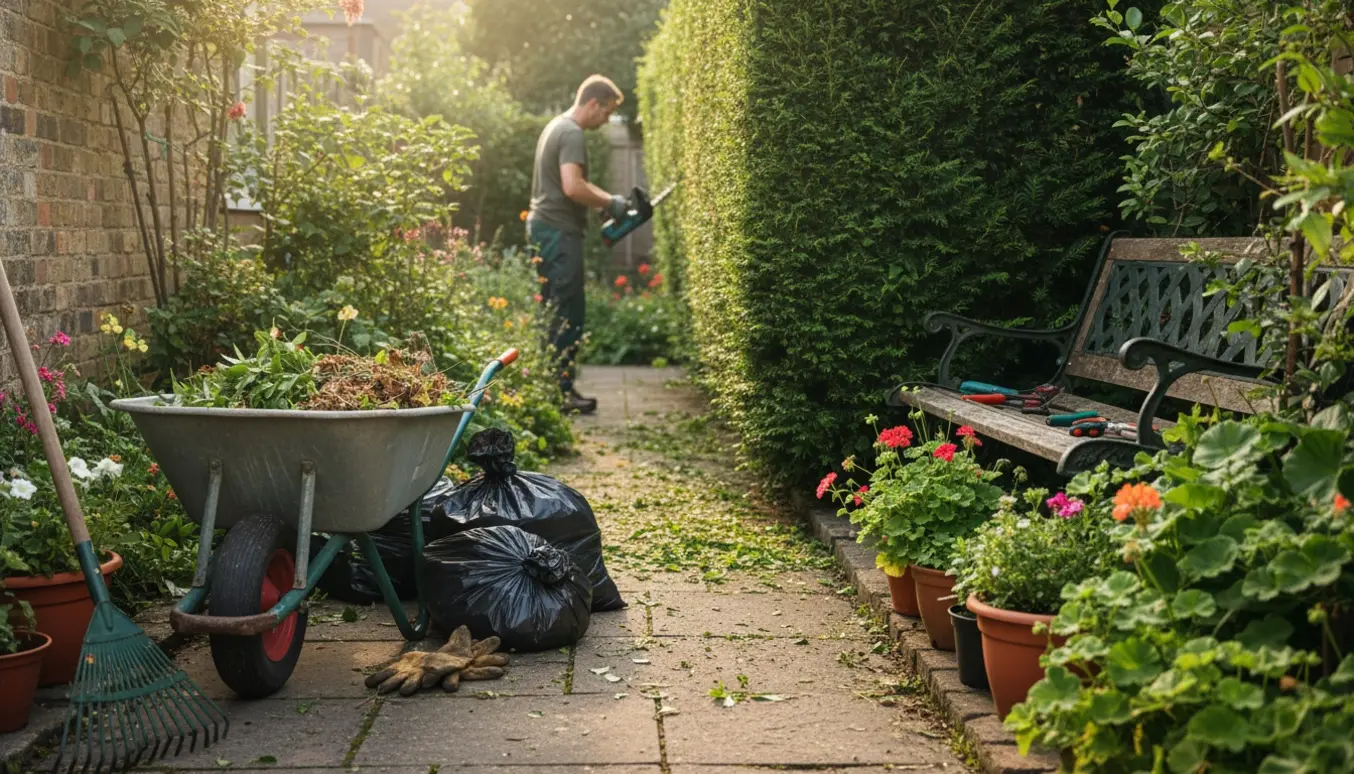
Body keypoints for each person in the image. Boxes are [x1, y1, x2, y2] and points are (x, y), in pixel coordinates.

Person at [527, 74, 630, 415]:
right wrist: (611, 202)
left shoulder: (555, 126)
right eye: (607, 112)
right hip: (558, 232)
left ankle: (553, 388)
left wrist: (601, 202)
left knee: (554, 307)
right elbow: (573, 186)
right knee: (566, 311)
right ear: (593, 104)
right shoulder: (571, 132)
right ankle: (559, 394)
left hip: (547, 228)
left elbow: (572, 186)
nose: (606, 120)